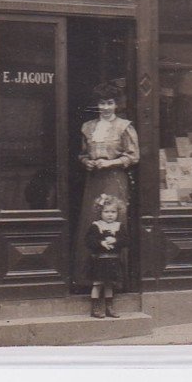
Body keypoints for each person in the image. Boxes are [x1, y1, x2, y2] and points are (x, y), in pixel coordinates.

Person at [73, 82, 139, 289]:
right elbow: (82, 154)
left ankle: (115, 281)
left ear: (116, 104)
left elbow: (133, 156)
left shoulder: (124, 127)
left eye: (109, 103)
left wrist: (110, 162)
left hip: (114, 179)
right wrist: (87, 162)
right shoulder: (88, 127)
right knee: (92, 221)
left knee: (114, 220)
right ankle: (89, 279)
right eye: (102, 103)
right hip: (94, 180)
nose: (105, 108)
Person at [85, 194, 129, 318]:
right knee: (98, 283)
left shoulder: (119, 226)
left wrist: (115, 240)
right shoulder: (96, 226)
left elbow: (126, 241)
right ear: (100, 212)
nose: (110, 214)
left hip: (113, 260)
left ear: (117, 212)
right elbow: (89, 241)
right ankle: (95, 308)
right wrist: (101, 242)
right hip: (100, 260)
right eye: (106, 211)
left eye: (113, 212)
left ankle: (109, 307)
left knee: (109, 283)